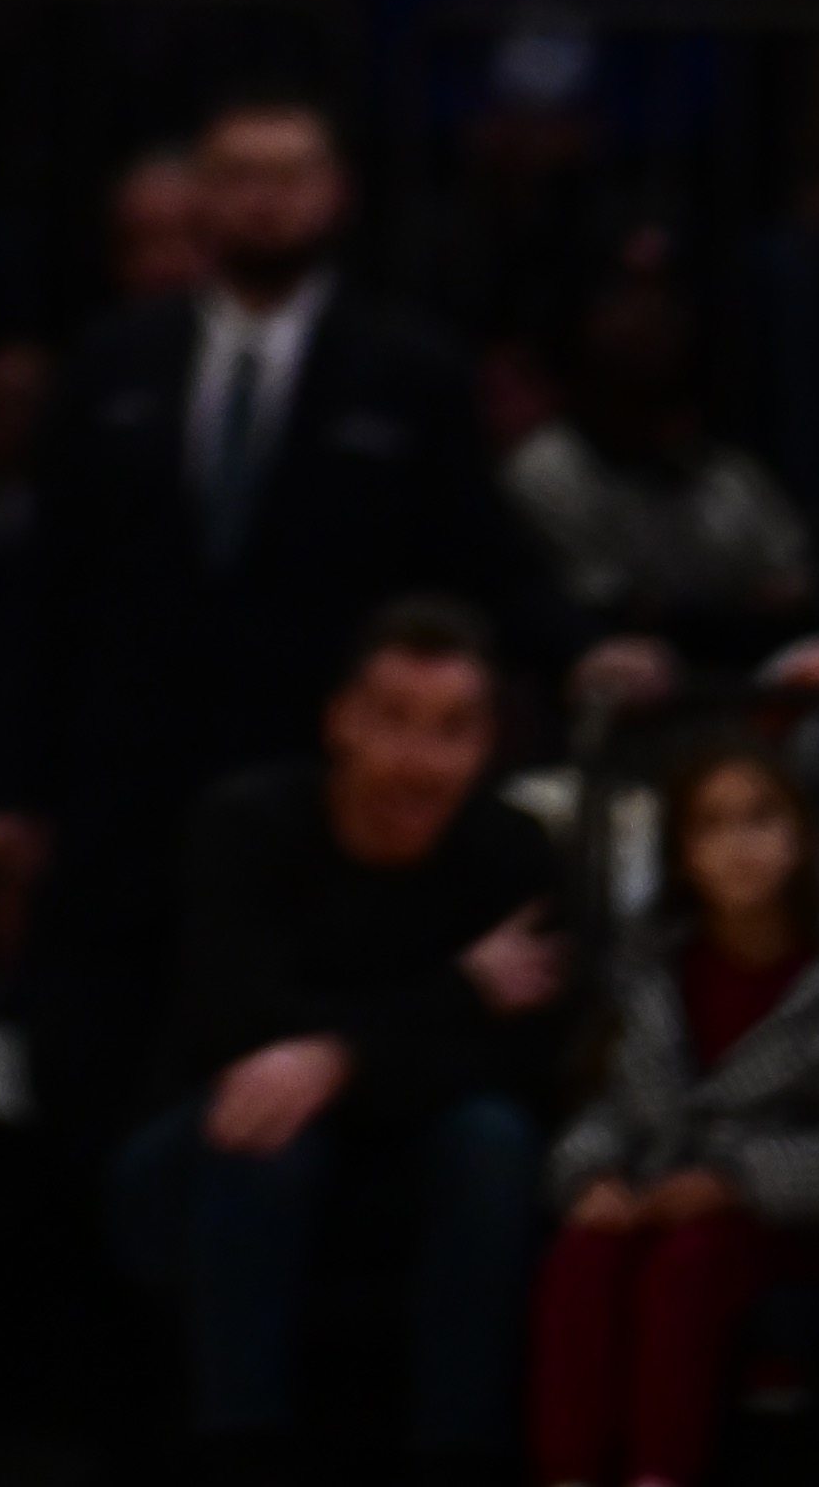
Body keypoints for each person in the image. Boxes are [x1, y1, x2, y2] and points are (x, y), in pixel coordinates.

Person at [0, 94, 527, 1105]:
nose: (265, 202)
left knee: (272, 1075)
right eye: (238, 176)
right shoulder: (110, 361)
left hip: (317, 794)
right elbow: (39, 591)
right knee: (91, 1071)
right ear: (199, 197)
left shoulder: (411, 372)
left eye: (290, 176)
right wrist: (14, 790)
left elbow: (485, 571)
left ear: (337, 194)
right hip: (122, 780)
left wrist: (584, 656)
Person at [103, 600, 561, 1478]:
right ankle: (240, 1448)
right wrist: (456, 991)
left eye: (453, 730)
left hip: (403, 1162)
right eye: (392, 720)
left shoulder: (512, 854)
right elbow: (246, 1031)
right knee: (270, 1123)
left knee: (492, 1135)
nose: (419, 759)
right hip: (200, 1155)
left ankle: (457, 1453)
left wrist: (340, 1055)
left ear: (488, 744)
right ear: (339, 722)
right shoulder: (246, 823)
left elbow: (518, 1060)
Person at [531, 730, 819, 1487]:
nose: (738, 845)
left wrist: (737, 1180)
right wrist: (592, 1175)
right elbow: (609, 1106)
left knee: (694, 1256)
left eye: (760, 817)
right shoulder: (651, 964)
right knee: (585, 1252)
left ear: (800, 836)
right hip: (663, 1194)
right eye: (711, 826)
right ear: (683, 855)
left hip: (808, 1220)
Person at [497, 255, 818, 668]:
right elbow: (610, 612)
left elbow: (797, 590)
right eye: (624, 301)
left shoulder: (729, 475)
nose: (646, 322)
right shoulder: (544, 470)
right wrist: (730, 608)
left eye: (661, 304)